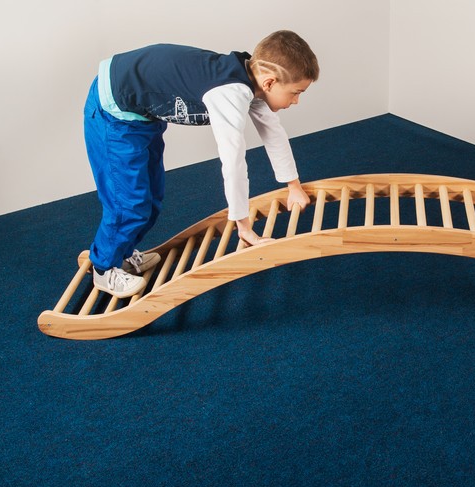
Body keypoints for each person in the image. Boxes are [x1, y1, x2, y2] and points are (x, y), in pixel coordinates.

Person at [83, 30, 319, 298]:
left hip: (142, 113)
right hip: (113, 111)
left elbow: (273, 133)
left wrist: (294, 186)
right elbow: (233, 162)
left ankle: (123, 253)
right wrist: (243, 226)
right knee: (129, 202)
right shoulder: (229, 93)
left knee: (152, 195)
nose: (296, 101)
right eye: (296, 92)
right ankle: (104, 268)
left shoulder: (251, 80)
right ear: (270, 82)